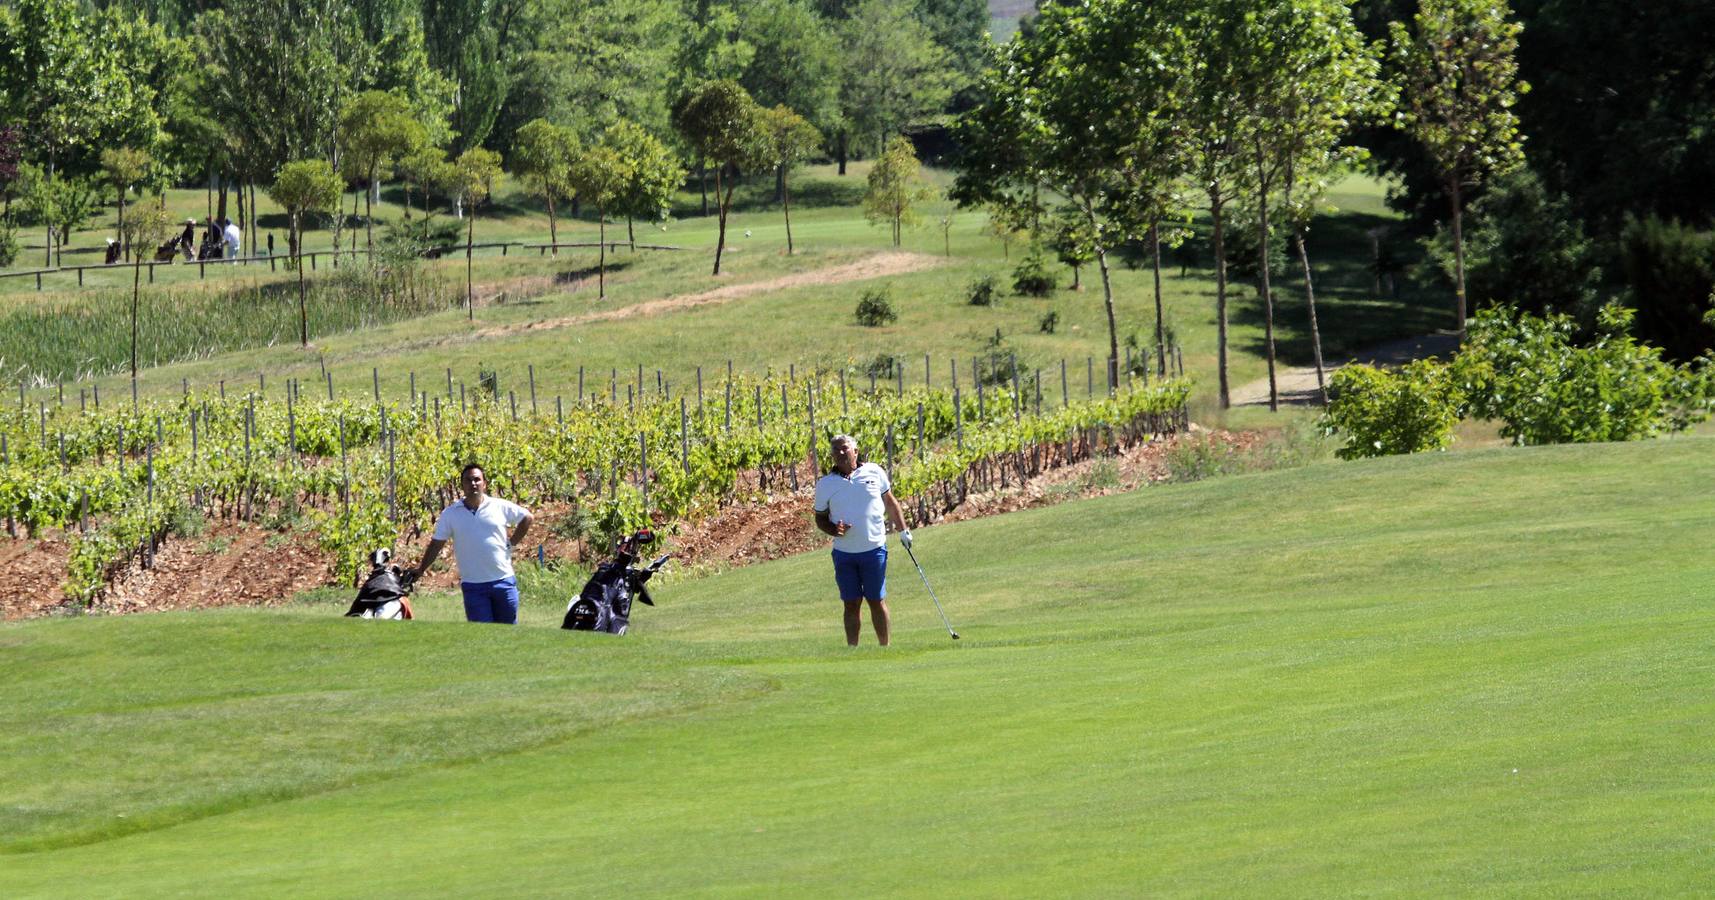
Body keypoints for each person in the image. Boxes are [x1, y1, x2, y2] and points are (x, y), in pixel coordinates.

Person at [812, 434, 910, 647]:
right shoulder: (826, 484)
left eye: (844, 448)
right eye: (835, 450)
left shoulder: (874, 472)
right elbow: (820, 518)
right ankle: (852, 651)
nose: (840, 453)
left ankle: (885, 647)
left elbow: (890, 502)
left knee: (876, 600)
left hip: (873, 549)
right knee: (851, 603)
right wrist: (833, 529)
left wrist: (903, 531)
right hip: (844, 553)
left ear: (855, 451)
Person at [412, 464, 534, 624]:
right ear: (462, 485)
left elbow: (527, 518)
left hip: (503, 582)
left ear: (485, 483)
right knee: (482, 637)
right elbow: (436, 544)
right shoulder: (450, 514)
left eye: (477, 479)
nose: (473, 484)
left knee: (509, 635)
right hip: (474, 586)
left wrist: (512, 543)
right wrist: (421, 569)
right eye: (468, 480)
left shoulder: (499, 506)